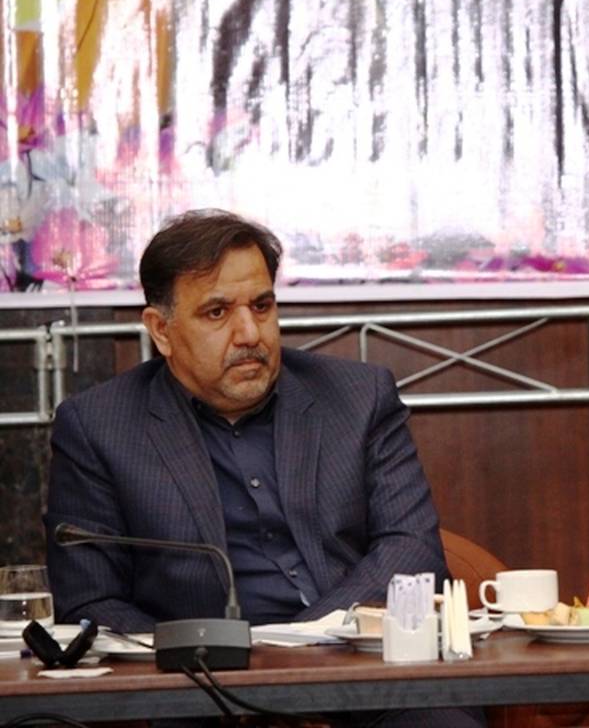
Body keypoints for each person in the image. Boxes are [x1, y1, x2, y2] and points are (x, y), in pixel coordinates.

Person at [44, 209, 450, 631]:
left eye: (261, 306)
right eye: (217, 313)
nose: (250, 334)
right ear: (161, 330)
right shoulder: (99, 428)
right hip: (200, 665)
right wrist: (201, 653)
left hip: (347, 650)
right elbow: (90, 599)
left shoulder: (358, 398)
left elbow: (413, 550)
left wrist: (303, 641)